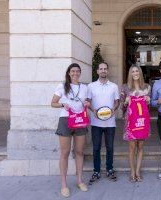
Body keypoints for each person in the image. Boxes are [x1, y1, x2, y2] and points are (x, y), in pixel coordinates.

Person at [51, 63, 89, 198]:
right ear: (69, 73)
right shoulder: (62, 86)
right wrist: (63, 104)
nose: (75, 73)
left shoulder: (84, 87)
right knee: (65, 153)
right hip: (66, 120)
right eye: (73, 71)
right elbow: (53, 102)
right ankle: (63, 184)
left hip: (80, 121)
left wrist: (87, 103)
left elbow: (88, 101)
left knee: (79, 151)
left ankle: (79, 180)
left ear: (80, 73)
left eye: (77, 71)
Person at [87, 62, 120, 184]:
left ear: (108, 71)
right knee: (96, 148)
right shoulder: (91, 86)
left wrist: (113, 109)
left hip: (110, 123)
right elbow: (88, 101)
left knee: (110, 147)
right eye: (101, 69)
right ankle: (96, 171)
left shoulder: (114, 86)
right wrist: (93, 110)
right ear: (97, 71)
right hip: (96, 122)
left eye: (105, 69)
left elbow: (117, 101)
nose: (103, 71)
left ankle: (109, 169)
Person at [120, 65, 151, 182]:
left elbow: (149, 105)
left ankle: (138, 171)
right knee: (132, 147)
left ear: (140, 72)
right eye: (133, 71)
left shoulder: (147, 87)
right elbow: (122, 105)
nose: (135, 73)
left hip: (142, 121)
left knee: (141, 146)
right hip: (130, 121)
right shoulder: (125, 88)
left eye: (137, 71)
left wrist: (148, 100)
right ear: (130, 74)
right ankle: (132, 171)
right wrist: (126, 102)